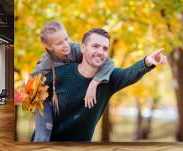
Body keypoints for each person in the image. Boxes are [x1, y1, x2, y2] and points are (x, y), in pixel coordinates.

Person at [36, 28, 166, 141]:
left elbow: (130, 73)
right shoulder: (59, 74)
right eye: (95, 46)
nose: (100, 51)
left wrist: (148, 62)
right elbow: (32, 92)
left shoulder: (109, 80)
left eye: (105, 48)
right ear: (83, 48)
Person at [31, 22, 115, 142]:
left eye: (66, 38)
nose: (66, 45)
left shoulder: (75, 49)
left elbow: (109, 63)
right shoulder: (45, 63)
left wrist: (94, 83)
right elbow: (30, 83)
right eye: (59, 43)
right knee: (42, 136)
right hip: (45, 101)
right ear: (48, 46)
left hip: (64, 98)